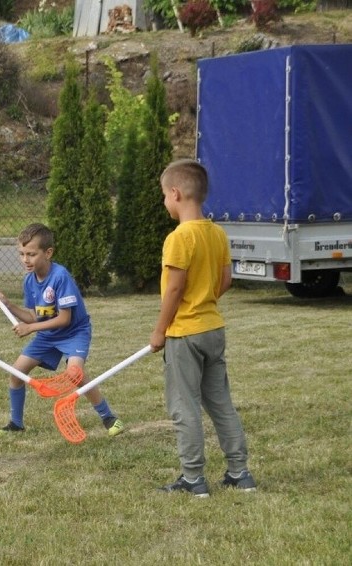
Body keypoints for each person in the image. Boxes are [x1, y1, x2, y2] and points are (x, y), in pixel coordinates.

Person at [151, 159, 255, 497]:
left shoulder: (179, 238)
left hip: (185, 334)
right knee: (220, 401)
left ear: (176, 193)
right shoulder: (217, 232)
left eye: (165, 196)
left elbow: (175, 289)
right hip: (213, 328)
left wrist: (160, 329)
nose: (164, 202)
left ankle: (193, 478)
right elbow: (225, 279)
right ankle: (239, 472)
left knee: (185, 406)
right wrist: (205, 301)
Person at [0, 223, 124, 438]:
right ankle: (16, 424)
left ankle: (109, 417)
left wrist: (30, 328)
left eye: (31, 254)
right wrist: (8, 305)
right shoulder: (29, 280)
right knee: (16, 373)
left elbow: (64, 318)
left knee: (76, 374)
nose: (25, 260)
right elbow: (35, 315)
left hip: (74, 332)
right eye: (22, 254)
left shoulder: (60, 276)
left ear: (48, 252)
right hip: (48, 335)